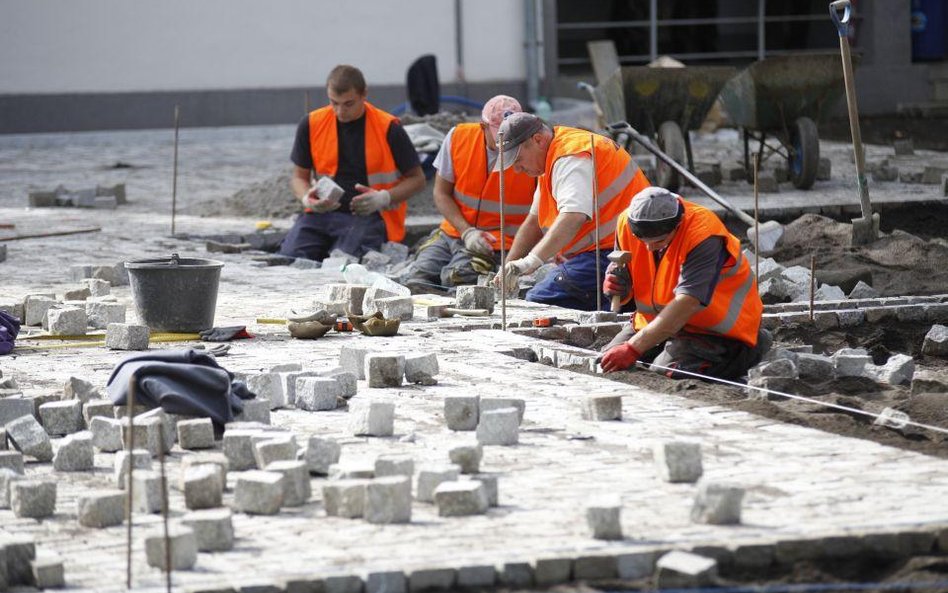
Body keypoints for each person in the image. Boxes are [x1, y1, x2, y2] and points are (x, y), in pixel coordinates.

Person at [599, 187, 771, 380]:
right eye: (641, 239)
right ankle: (661, 346)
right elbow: (627, 277)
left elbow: (688, 302)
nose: (648, 247)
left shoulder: (703, 234)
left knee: (666, 372)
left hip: (715, 332)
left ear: (678, 223)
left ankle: (754, 346)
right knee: (607, 360)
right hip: (655, 321)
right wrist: (617, 287)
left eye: (659, 241)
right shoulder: (627, 223)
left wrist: (633, 348)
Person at [492, 112, 651, 310]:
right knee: (543, 290)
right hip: (601, 252)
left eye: (518, 159)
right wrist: (508, 268)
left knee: (539, 302)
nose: (516, 169)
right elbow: (533, 223)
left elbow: (573, 216)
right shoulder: (550, 158)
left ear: (538, 140)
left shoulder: (570, 156)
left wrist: (530, 262)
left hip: (620, 254)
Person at [279, 65, 426, 261]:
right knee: (289, 258)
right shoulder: (312, 124)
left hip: (371, 216)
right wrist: (307, 198)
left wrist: (383, 198)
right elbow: (299, 177)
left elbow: (418, 179)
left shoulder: (388, 127)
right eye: (334, 103)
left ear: (364, 94)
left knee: (344, 262)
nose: (340, 111)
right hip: (321, 215)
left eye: (348, 104)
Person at [406, 95, 537, 293]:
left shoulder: (532, 152)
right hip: (453, 232)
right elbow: (441, 193)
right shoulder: (458, 138)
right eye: (499, 133)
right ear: (483, 126)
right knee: (417, 279)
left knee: (459, 279)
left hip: (499, 243)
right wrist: (467, 232)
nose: (506, 140)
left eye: (511, 132)